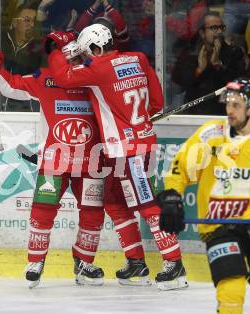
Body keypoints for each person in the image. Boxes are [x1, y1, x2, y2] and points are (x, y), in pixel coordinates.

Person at [48, 23, 188, 290]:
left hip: (130, 150)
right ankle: (136, 261)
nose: (86, 59)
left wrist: (57, 51)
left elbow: (64, 77)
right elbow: (156, 103)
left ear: (95, 47)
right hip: (128, 147)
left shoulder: (98, 68)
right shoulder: (139, 58)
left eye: (87, 53)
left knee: (147, 206)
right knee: (114, 200)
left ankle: (174, 263)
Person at [158, 78, 250, 313]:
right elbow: (180, 167)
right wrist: (171, 196)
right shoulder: (210, 135)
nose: (230, 110)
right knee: (231, 293)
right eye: (228, 103)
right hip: (219, 225)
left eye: (237, 105)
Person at [0, 32, 105, 288]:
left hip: (91, 160)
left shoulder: (96, 77)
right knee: (42, 210)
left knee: (93, 214)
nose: (60, 58)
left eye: (61, 51)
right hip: (55, 160)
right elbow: (11, 86)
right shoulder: (45, 79)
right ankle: (35, 261)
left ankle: (84, 261)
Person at [172, 11, 246, 115]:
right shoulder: (191, 52)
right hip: (195, 112)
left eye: (221, 28)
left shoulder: (233, 52)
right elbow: (178, 79)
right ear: (202, 33)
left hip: (224, 112)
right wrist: (198, 70)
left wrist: (217, 64)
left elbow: (238, 82)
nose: (219, 31)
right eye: (214, 28)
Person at [2, 2, 42, 112]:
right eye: (27, 20)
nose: (32, 25)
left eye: (34, 21)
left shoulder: (39, 50)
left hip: (26, 110)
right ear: (15, 22)